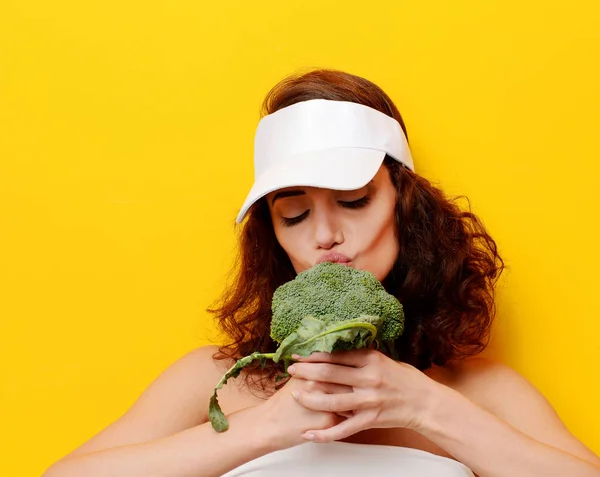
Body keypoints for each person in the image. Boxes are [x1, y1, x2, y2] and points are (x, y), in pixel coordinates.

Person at [43, 69, 600, 477]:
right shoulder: (218, 383)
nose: (324, 235)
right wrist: (267, 427)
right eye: (294, 212)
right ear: (273, 235)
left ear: (408, 210)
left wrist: (424, 406)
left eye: (354, 201)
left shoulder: (481, 392)